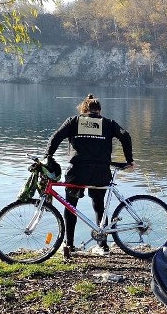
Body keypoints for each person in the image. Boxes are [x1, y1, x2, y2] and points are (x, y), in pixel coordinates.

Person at [44, 94, 134, 258]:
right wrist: (129, 160)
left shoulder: (74, 121)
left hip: (77, 172)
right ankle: (103, 245)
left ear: (83, 109)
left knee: (70, 207)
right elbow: (125, 136)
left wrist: (47, 157)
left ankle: (69, 245)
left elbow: (55, 137)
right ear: (99, 111)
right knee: (99, 205)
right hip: (100, 172)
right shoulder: (107, 123)